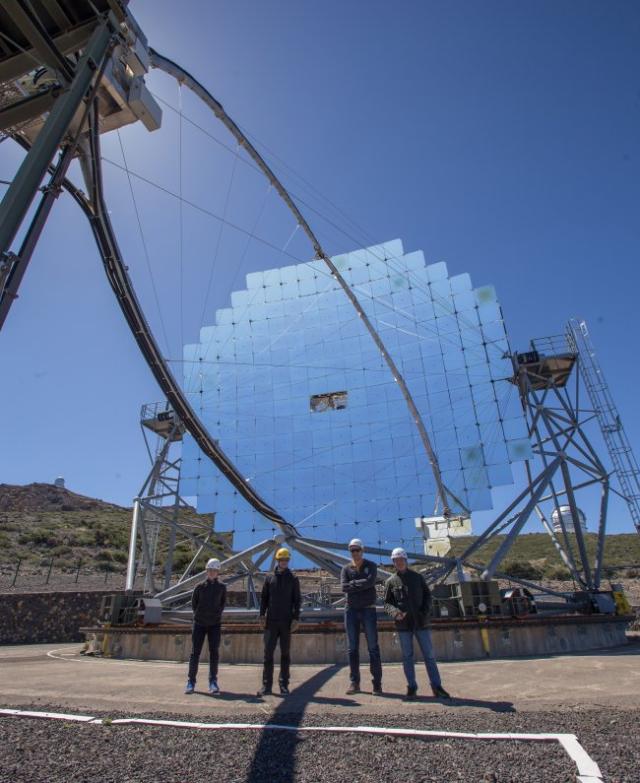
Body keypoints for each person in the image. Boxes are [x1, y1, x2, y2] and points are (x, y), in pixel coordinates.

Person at [384, 547, 450, 700]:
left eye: (401, 559)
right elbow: (387, 603)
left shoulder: (417, 577)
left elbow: (428, 596)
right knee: (407, 657)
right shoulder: (390, 582)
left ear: (406, 560)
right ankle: (412, 687)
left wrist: (424, 612)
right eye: (396, 560)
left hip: (421, 623)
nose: (399, 562)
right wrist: (395, 613)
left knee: (429, 656)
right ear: (393, 562)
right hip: (403, 625)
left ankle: (437, 687)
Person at [340, 538, 383, 695]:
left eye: (357, 550)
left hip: (368, 610)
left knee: (373, 647)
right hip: (351, 610)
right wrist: (359, 584)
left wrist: (353, 584)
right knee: (352, 648)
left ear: (362, 551)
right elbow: (343, 587)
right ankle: (354, 683)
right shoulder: (346, 569)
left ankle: (377, 684)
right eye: (352, 550)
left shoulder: (371, 565)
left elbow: (370, 582)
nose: (355, 553)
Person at [258, 547, 301, 696]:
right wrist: (262, 615)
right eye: (281, 559)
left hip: (286, 622)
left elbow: (297, 600)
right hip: (271, 622)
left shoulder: (293, 578)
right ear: (277, 560)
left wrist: (296, 618)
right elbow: (264, 598)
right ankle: (266, 686)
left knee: (285, 654)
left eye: (286, 560)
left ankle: (284, 685)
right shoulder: (269, 578)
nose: (284, 562)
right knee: (268, 654)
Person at [185, 557, 226, 695]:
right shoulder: (199, 587)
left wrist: (215, 615)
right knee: (195, 653)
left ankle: (213, 682)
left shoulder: (222, 587)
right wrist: (200, 615)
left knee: (214, 653)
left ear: (218, 572)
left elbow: (222, 604)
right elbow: (194, 604)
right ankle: (191, 682)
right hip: (199, 624)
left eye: (214, 570)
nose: (212, 572)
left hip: (215, 625)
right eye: (210, 570)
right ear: (206, 571)